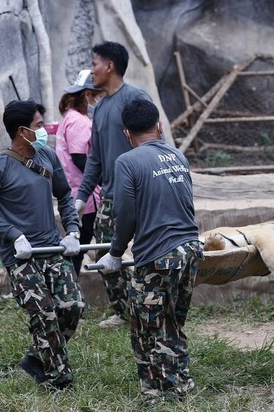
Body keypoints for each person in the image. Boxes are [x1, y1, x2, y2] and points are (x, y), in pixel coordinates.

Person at [95, 98, 202, 403]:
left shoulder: (127, 162)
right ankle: (181, 382)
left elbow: (126, 215)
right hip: (191, 251)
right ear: (158, 126)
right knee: (173, 321)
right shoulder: (178, 156)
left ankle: (154, 392)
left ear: (127, 133)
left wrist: (115, 253)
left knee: (145, 327)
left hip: (159, 256)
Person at [0, 99, 84, 389]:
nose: (44, 131)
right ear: (22, 131)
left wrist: (72, 230)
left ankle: (36, 357)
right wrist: (13, 234)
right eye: (38, 126)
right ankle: (59, 380)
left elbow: (64, 195)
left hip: (51, 248)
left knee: (72, 305)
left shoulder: (46, 155)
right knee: (44, 313)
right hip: (21, 256)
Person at [75, 41, 152, 328]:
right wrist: (81, 197)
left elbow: (154, 141)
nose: (91, 70)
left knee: (146, 250)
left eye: (94, 63)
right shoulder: (102, 107)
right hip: (110, 196)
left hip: (142, 192)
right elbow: (94, 157)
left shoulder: (135, 98)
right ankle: (124, 311)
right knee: (104, 253)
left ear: (109, 66)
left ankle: (149, 306)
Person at [55, 69, 103, 276]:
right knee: (80, 244)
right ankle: (70, 285)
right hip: (84, 193)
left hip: (78, 189)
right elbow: (79, 157)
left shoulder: (72, 117)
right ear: (86, 95)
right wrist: (102, 179)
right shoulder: (78, 121)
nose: (97, 99)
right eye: (95, 95)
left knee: (80, 243)